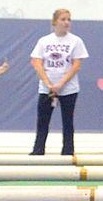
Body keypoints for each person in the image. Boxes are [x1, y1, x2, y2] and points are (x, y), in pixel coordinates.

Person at [30, 9, 89, 156]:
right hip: (46, 88)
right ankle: (38, 150)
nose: (66, 22)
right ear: (55, 22)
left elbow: (76, 65)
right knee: (43, 121)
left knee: (67, 121)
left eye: (69, 19)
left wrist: (61, 83)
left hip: (68, 88)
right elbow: (36, 62)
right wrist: (48, 83)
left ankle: (68, 151)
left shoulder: (76, 41)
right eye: (63, 19)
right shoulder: (44, 41)